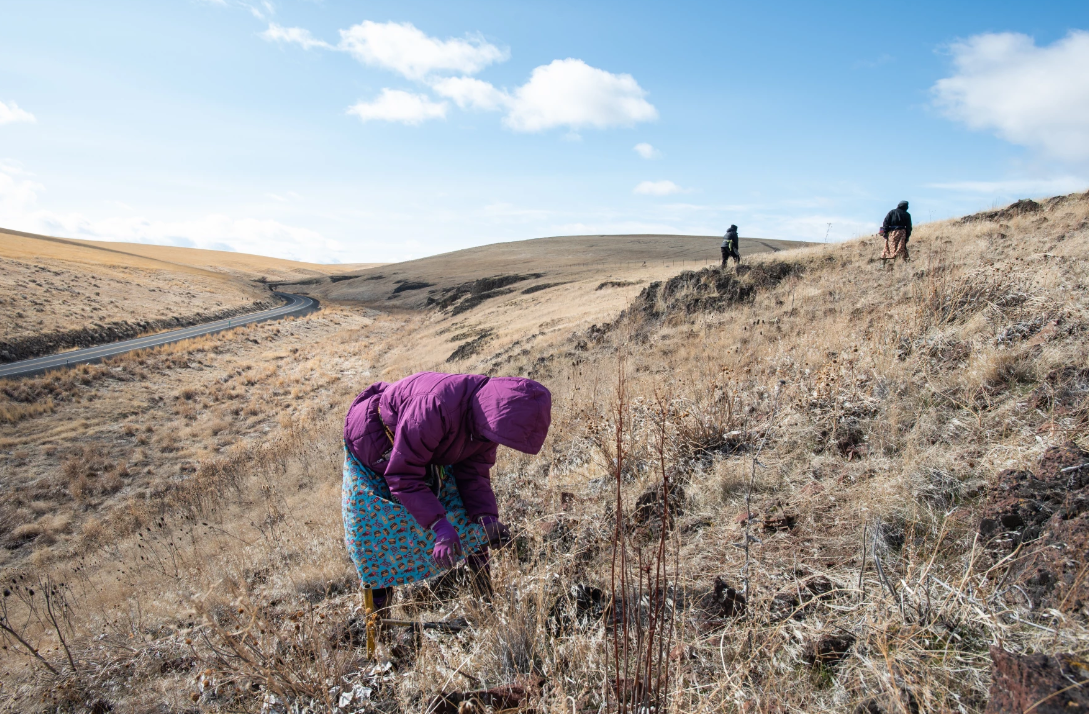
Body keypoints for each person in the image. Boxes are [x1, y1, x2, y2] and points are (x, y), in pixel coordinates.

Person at [342, 372, 551, 612]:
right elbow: (402, 476)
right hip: (374, 442)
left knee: (470, 522)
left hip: (424, 447)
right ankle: (379, 622)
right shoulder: (434, 407)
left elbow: (474, 474)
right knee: (379, 534)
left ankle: (485, 604)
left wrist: (486, 518)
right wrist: (439, 526)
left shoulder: (488, 420)